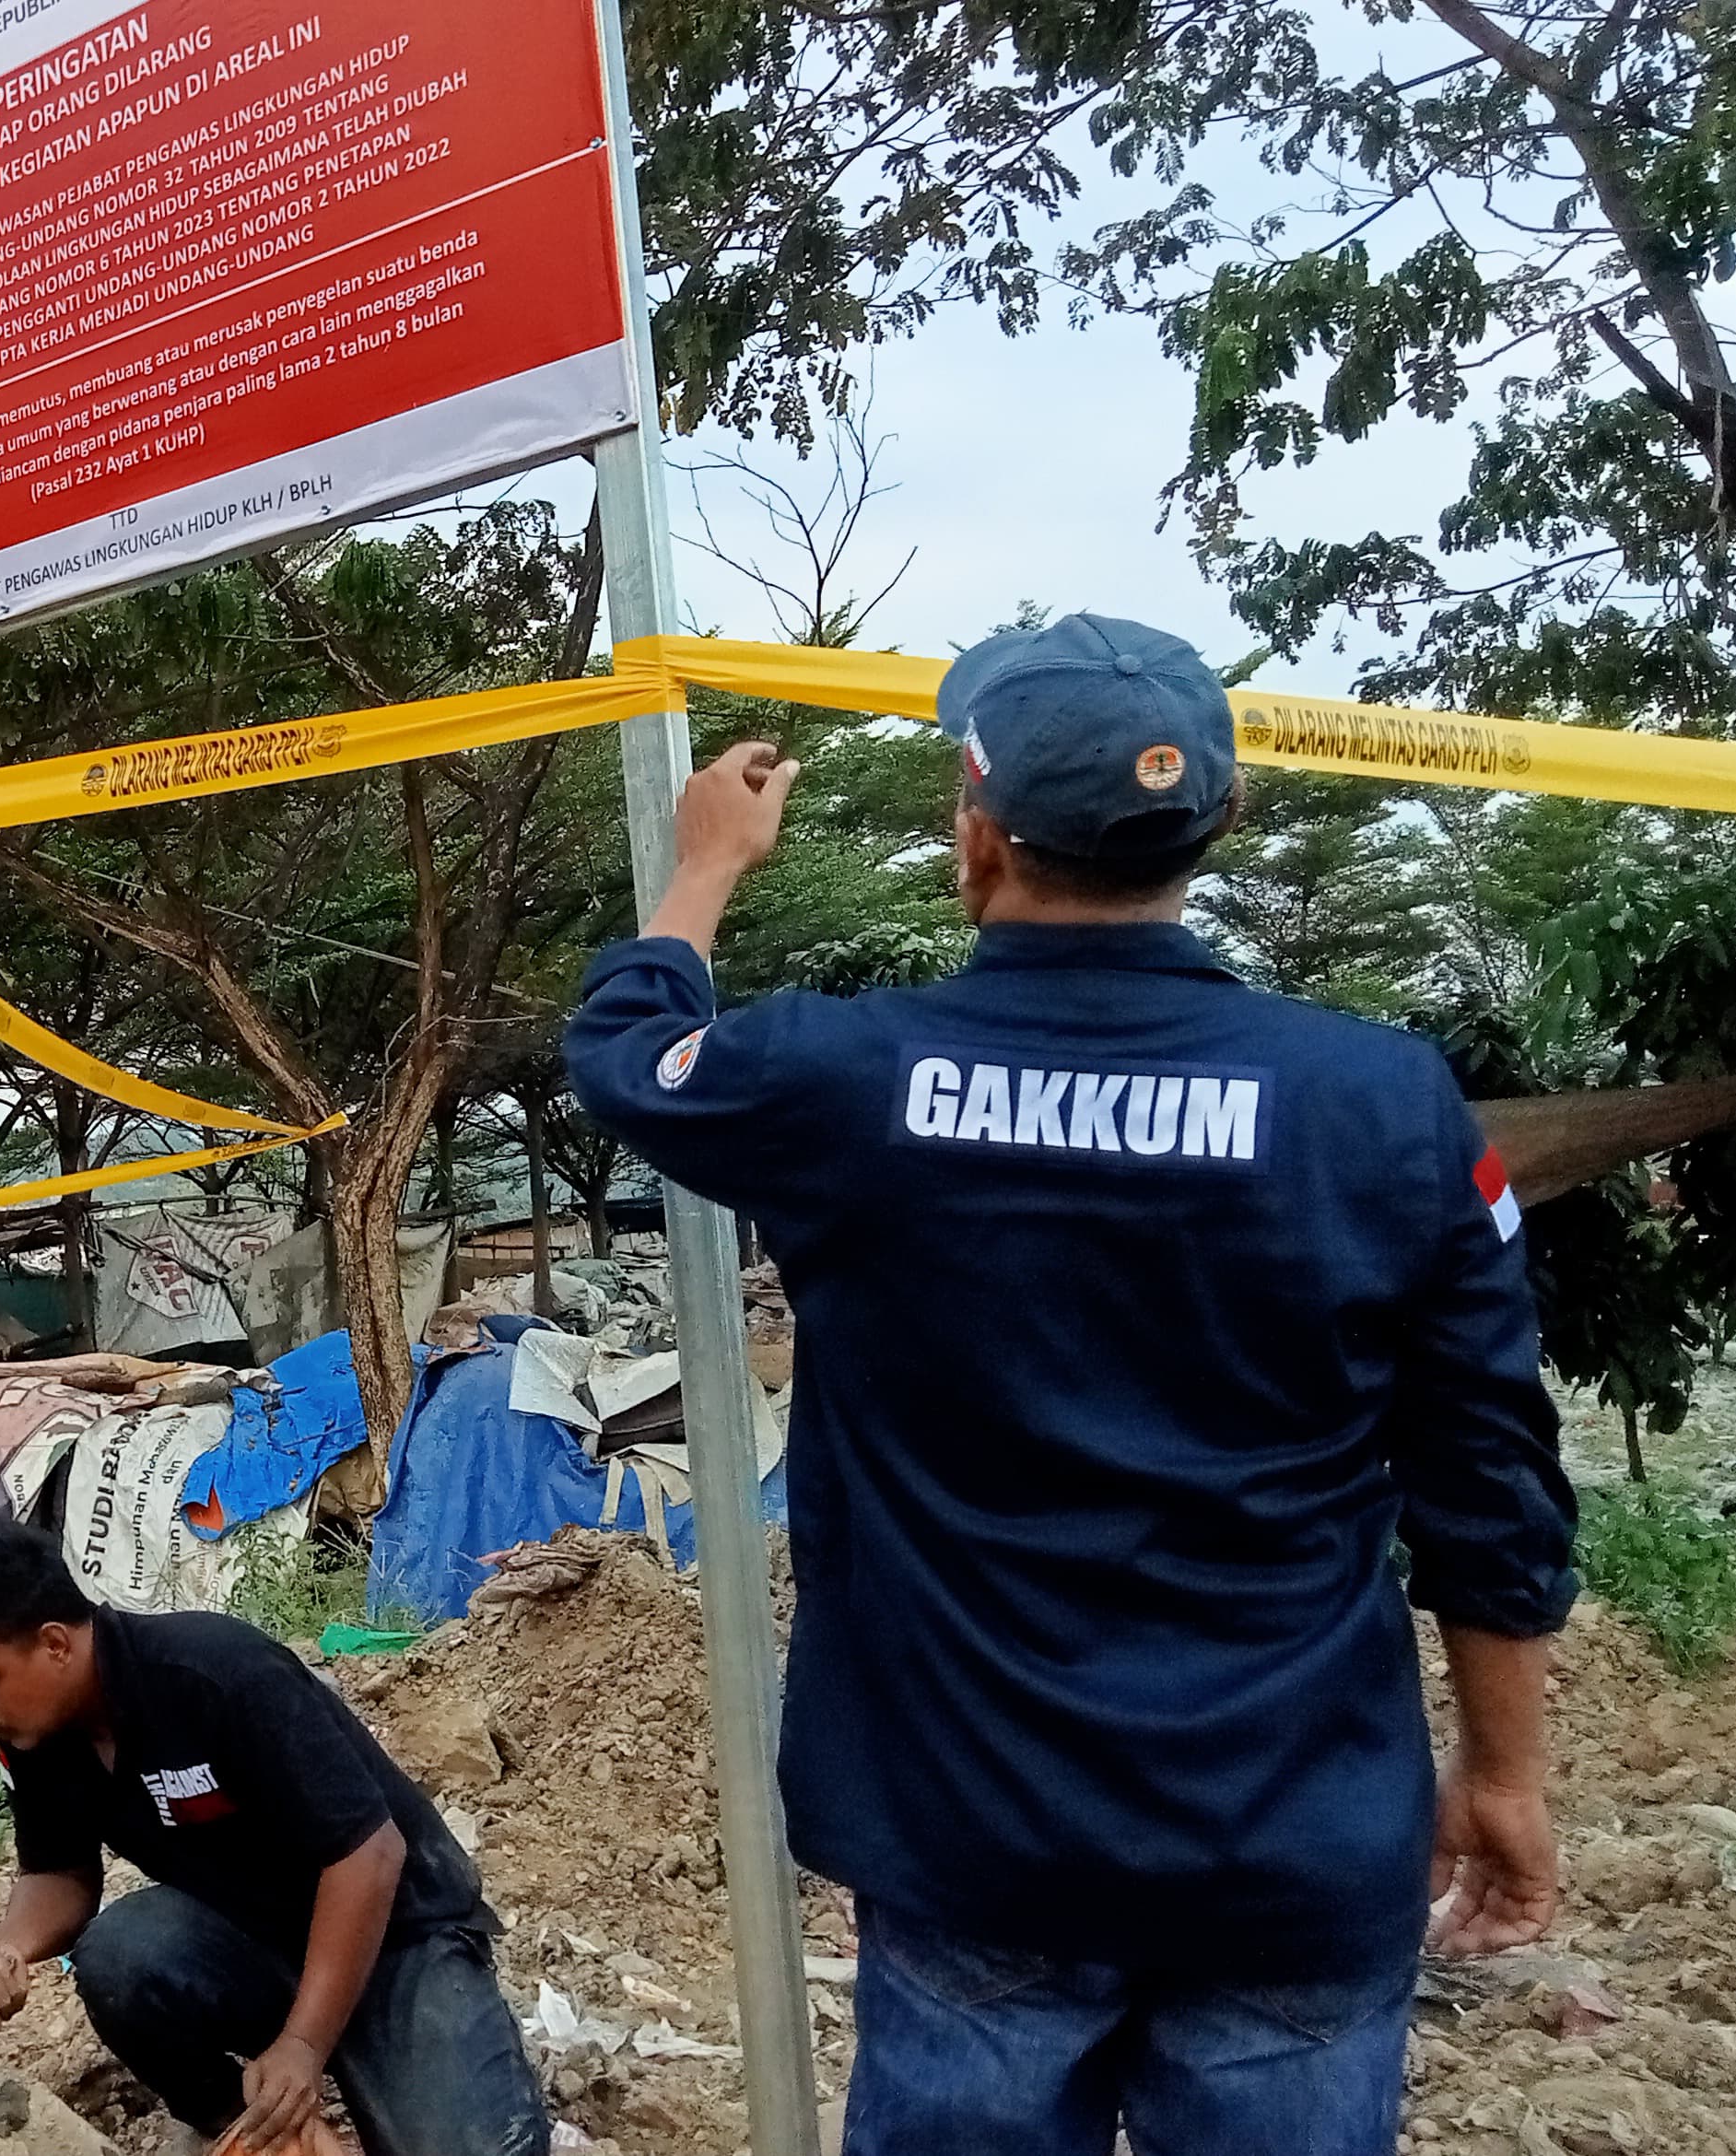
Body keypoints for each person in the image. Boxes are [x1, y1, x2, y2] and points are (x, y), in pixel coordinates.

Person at [563, 615, 1578, 2153]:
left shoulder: (847, 1082)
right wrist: (1504, 1772)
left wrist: (706, 865)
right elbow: (1488, 1473)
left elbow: (632, 1049)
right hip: (1293, 1845)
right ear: (1220, 824)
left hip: (978, 1849)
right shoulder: (1386, 1109)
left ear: (977, 839)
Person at [0, 1516, 552, 2156]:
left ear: (54, 1645)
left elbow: (370, 1856)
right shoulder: (38, 1739)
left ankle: (337, 2060)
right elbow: (60, 1873)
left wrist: (303, 2045)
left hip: (396, 1940)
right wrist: (6, 1946)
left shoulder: (215, 1675)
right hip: (255, 1944)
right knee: (121, 1954)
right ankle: (255, 2127)